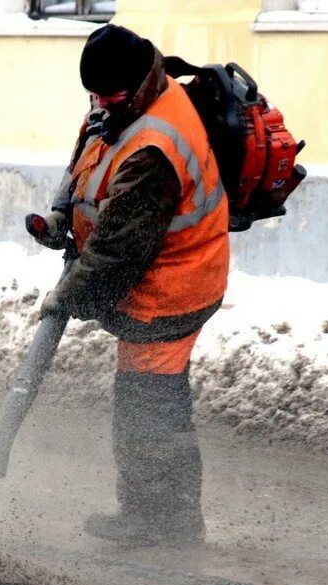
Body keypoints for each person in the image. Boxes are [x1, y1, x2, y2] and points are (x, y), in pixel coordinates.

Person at [33, 24, 230, 546]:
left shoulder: (153, 150)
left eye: (109, 95)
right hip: (162, 277)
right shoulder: (128, 102)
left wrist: (66, 298)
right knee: (143, 404)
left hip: (173, 288)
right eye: (94, 95)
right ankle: (152, 516)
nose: (100, 104)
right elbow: (91, 159)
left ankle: (170, 526)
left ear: (136, 82)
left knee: (150, 408)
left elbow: (119, 252)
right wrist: (64, 216)